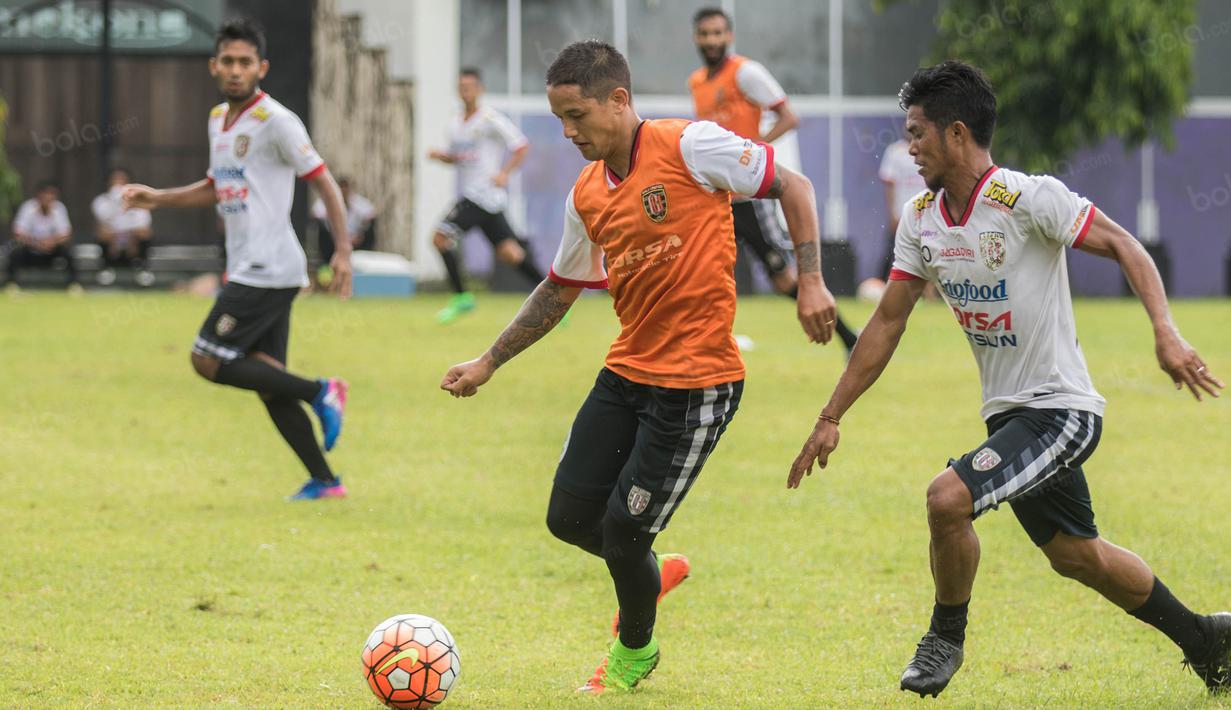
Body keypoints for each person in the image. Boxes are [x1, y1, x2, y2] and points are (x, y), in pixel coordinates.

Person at [787, 61, 1229, 698]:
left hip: (1063, 411)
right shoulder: (921, 219)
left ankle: (945, 637)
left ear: (957, 134)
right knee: (1078, 555)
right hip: (1010, 417)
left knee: (947, 498)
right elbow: (888, 320)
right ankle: (1205, 639)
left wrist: (1166, 331)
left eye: (917, 133)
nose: (908, 147)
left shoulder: (1028, 199)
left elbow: (1129, 247)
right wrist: (830, 416)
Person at [442, 40, 838, 694]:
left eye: (577, 116)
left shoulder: (689, 146)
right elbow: (560, 287)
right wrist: (488, 361)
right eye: (559, 120)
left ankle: (635, 649)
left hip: (697, 384)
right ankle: (651, 572)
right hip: (626, 372)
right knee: (567, 517)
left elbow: (791, 184)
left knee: (624, 530)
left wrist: (811, 280)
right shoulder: (587, 193)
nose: (568, 133)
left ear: (618, 100)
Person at [122, 19, 355, 501]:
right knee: (270, 381)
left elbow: (324, 181)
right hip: (253, 265)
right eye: (227, 61)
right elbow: (216, 187)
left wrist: (344, 252)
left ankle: (322, 391)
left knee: (206, 358)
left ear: (261, 68)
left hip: (269, 267)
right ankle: (326, 481)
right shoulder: (217, 120)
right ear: (214, 66)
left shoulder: (277, 121)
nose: (235, 69)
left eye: (245, 62)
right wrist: (157, 199)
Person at [688, 6, 859, 353]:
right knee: (701, 266)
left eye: (718, 33)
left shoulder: (746, 73)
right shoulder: (697, 83)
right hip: (716, 197)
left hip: (748, 199)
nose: (711, 40)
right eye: (705, 33)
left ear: (729, 36)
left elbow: (789, 117)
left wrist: (749, 155)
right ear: (696, 37)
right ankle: (706, 345)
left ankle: (849, 338)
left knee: (782, 278)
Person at [428, 68, 545, 324]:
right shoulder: (455, 124)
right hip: (486, 201)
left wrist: (505, 173)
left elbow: (520, 145)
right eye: (461, 87)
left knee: (439, 237)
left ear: (480, 90)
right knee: (510, 254)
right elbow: (461, 158)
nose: (465, 91)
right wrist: (443, 157)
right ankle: (552, 297)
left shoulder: (490, 119)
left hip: (480, 196)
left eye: (470, 86)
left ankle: (462, 297)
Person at [5, 180, 81, 293]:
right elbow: (18, 233)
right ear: (39, 195)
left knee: (69, 253)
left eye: (52, 195)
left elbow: (66, 234)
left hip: (51, 250)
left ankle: (73, 285)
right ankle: (11, 284)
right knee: (15, 253)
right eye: (46, 194)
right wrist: (37, 243)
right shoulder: (28, 208)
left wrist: (52, 242)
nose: (49, 198)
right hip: (31, 249)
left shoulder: (59, 208)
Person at [92, 167, 154, 287]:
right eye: (115, 180)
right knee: (102, 233)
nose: (118, 184)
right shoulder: (100, 201)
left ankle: (142, 269)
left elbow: (143, 226)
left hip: (132, 242)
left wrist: (131, 238)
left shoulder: (140, 201)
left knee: (145, 233)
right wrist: (116, 202)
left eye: (122, 180)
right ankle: (106, 268)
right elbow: (103, 223)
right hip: (112, 242)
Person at [310, 176, 375, 284]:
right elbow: (317, 216)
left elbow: (371, 216)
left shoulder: (359, 203)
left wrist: (359, 236)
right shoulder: (324, 202)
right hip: (332, 241)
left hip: (356, 241)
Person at [878, 137, 927, 278]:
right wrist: (892, 213)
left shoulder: (928, 149)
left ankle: (930, 294)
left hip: (925, 214)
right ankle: (886, 284)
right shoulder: (895, 151)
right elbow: (889, 184)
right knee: (895, 252)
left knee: (927, 252)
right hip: (902, 214)